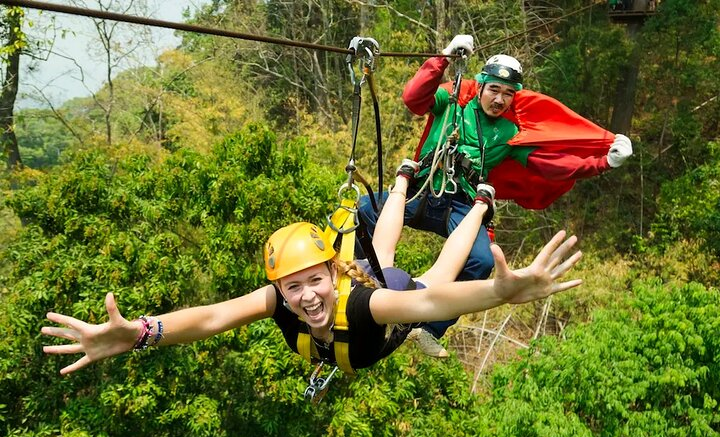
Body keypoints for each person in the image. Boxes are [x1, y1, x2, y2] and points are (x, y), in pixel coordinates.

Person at [41, 160, 582, 375]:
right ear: (279, 286)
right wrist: (137, 334)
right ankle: (400, 179)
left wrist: (499, 292)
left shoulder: (371, 304)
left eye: (314, 281)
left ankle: (482, 204)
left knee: (429, 274)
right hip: (359, 277)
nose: (305, 298)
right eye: (292, 287)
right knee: (383, 253)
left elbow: (429, 303)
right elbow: (209, 318)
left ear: (334, 274)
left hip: (381, 297)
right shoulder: (283, 298)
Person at [358, 34, 633, 357]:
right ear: (482, 86)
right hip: (424, 188)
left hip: (460, 203)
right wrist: (444, 57)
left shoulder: (508, 133)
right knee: (364, 209)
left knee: (482, 260)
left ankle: (427, 328)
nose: (500, 100)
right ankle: (363, 283)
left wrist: (602, 162)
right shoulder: (452, 99)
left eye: (507, 94)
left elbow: (549, 165)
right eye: (494, 90)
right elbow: (413, 98)